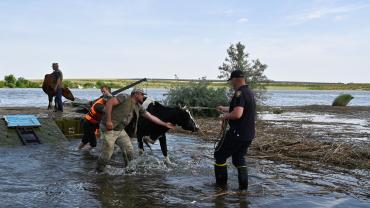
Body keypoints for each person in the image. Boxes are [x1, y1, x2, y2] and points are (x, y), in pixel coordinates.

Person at [96, 87, 175, 172]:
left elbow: (150, 117)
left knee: (129, 149)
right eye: (142, 95)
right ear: (136, 94)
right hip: (108, 128)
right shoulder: (124, 97)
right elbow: (109, 103)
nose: (143, 97)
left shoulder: (138, 106)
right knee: (108, 152)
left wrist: (165, 124)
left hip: (119, 130)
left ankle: (129, 169)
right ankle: (99, 170)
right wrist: (108, 121)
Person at [214, 69, 256, 190]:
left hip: (237, 133)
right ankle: (243, 190)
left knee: (219, 155)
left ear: (235, 79)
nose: (231, 83)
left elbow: (237, 114)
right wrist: (224, 108)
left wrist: (224, 116)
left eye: (231, 80)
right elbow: (238, 108)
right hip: (248, 135)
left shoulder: (239, 93)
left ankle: (221, 187)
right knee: (238, 159)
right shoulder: (248, 92)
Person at [78, 85, 112, 150]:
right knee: (89, 142)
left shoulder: (109, 100)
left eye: (105, 92)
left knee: (91, 142)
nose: (104, 93)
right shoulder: (99, 104)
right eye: (102, 92)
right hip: (88, 123)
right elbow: (107, 110)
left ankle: (81, 151)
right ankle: (78, 150)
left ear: (109, 91)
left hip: (95, 123)